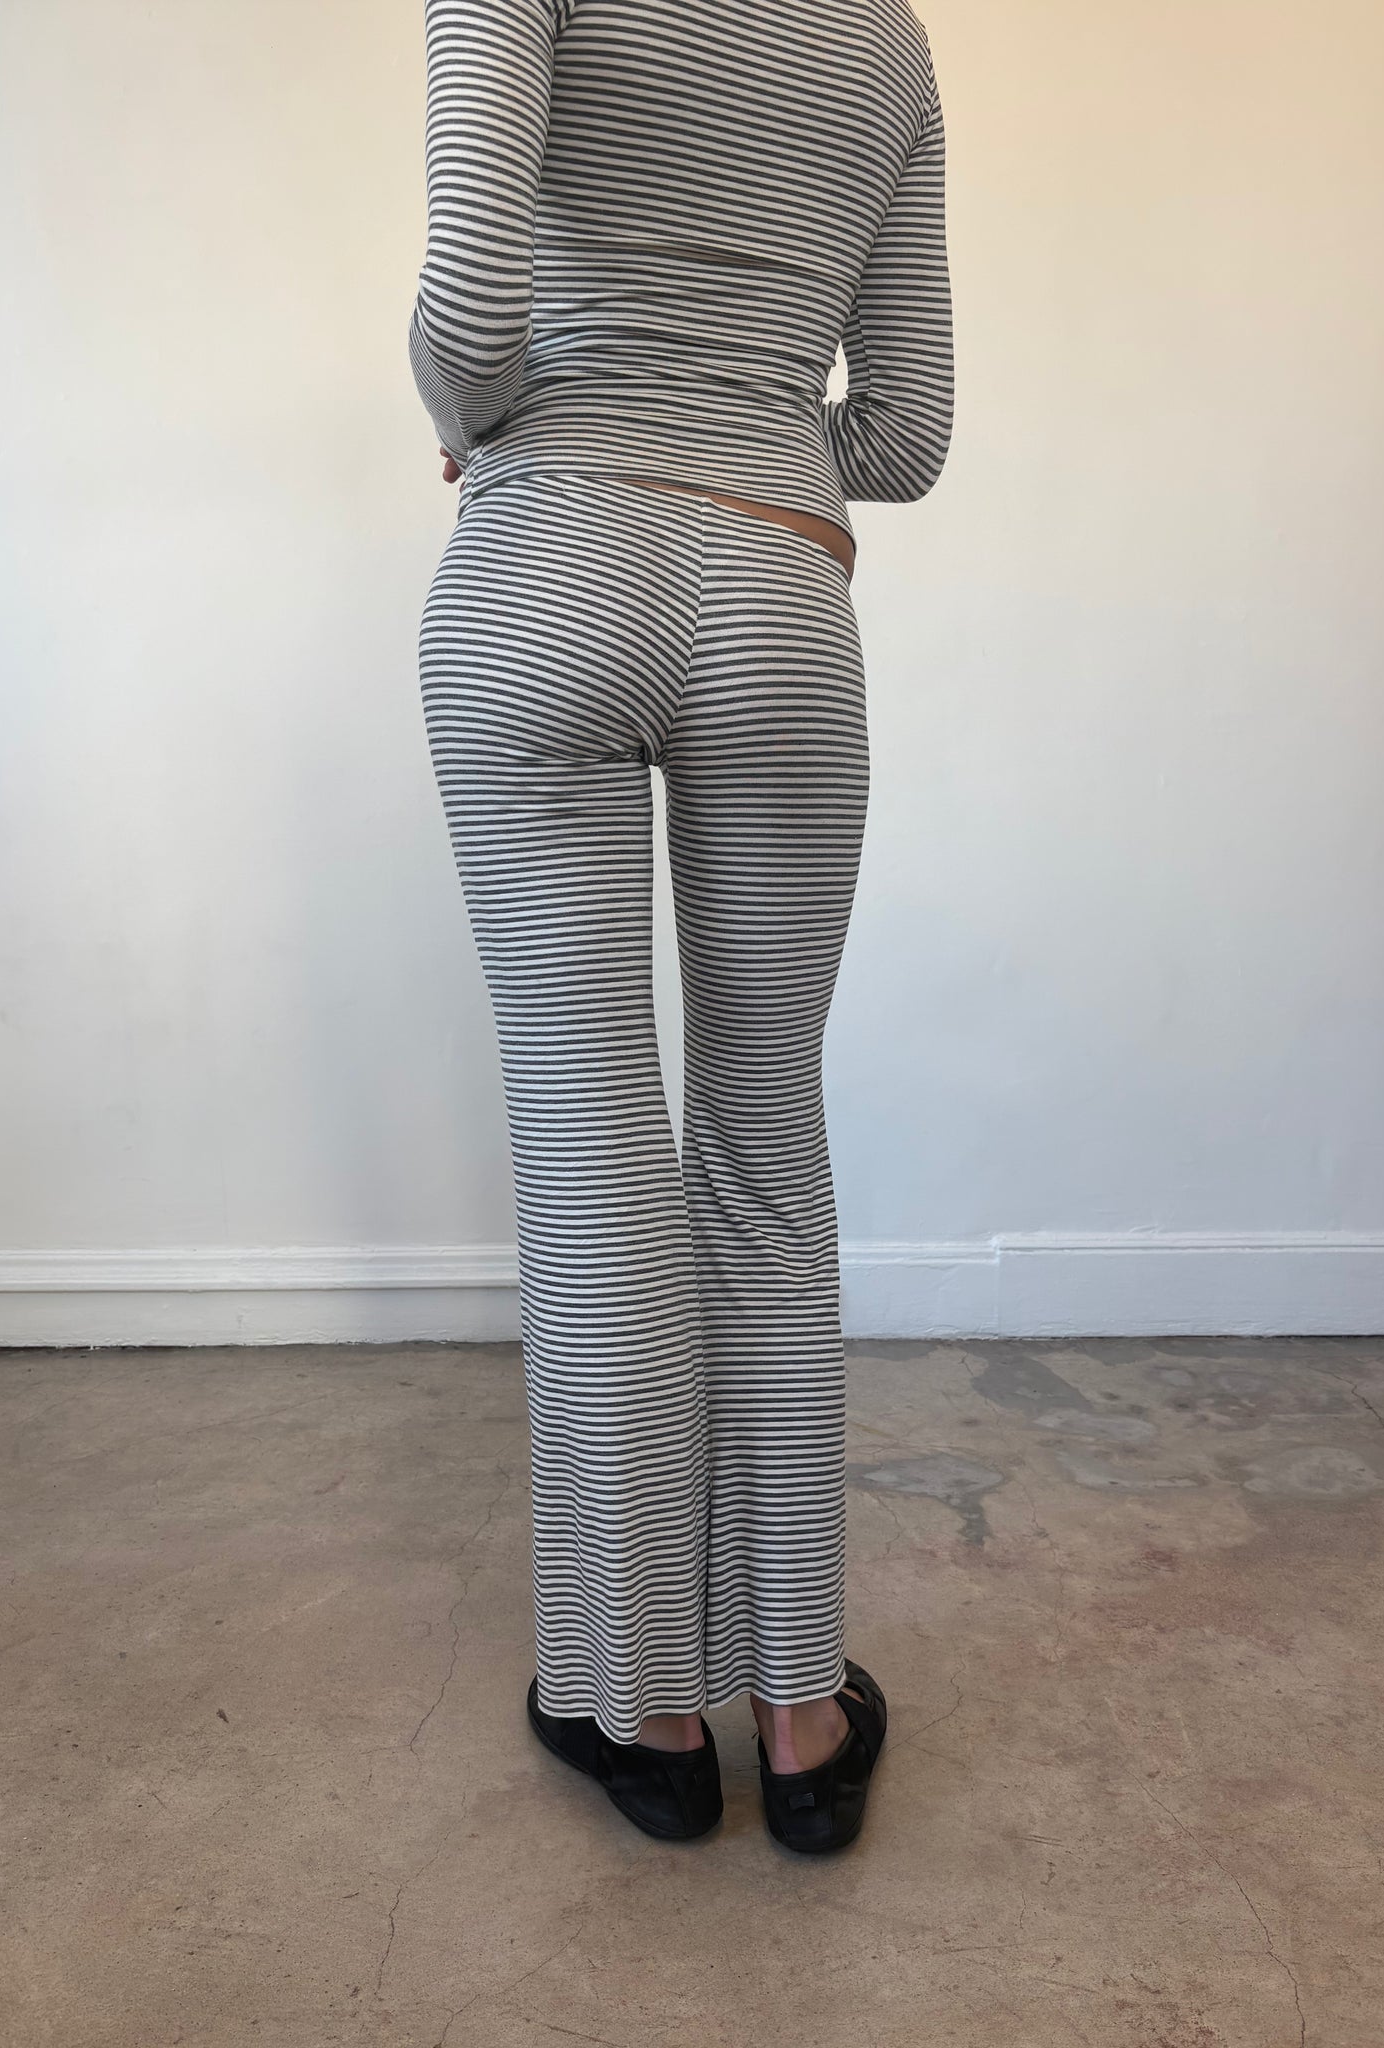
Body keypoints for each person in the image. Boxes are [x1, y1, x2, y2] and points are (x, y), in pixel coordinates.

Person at [407, 0, 953, 1853]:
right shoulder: (888, 38)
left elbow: (469, 309)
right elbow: (908, 431)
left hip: (549, 566)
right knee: (764, 1139)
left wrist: (480, 427)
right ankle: (797, 1716)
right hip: (779, 587)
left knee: (592, 1145)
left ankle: (641, 1710)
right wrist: (748, 426)